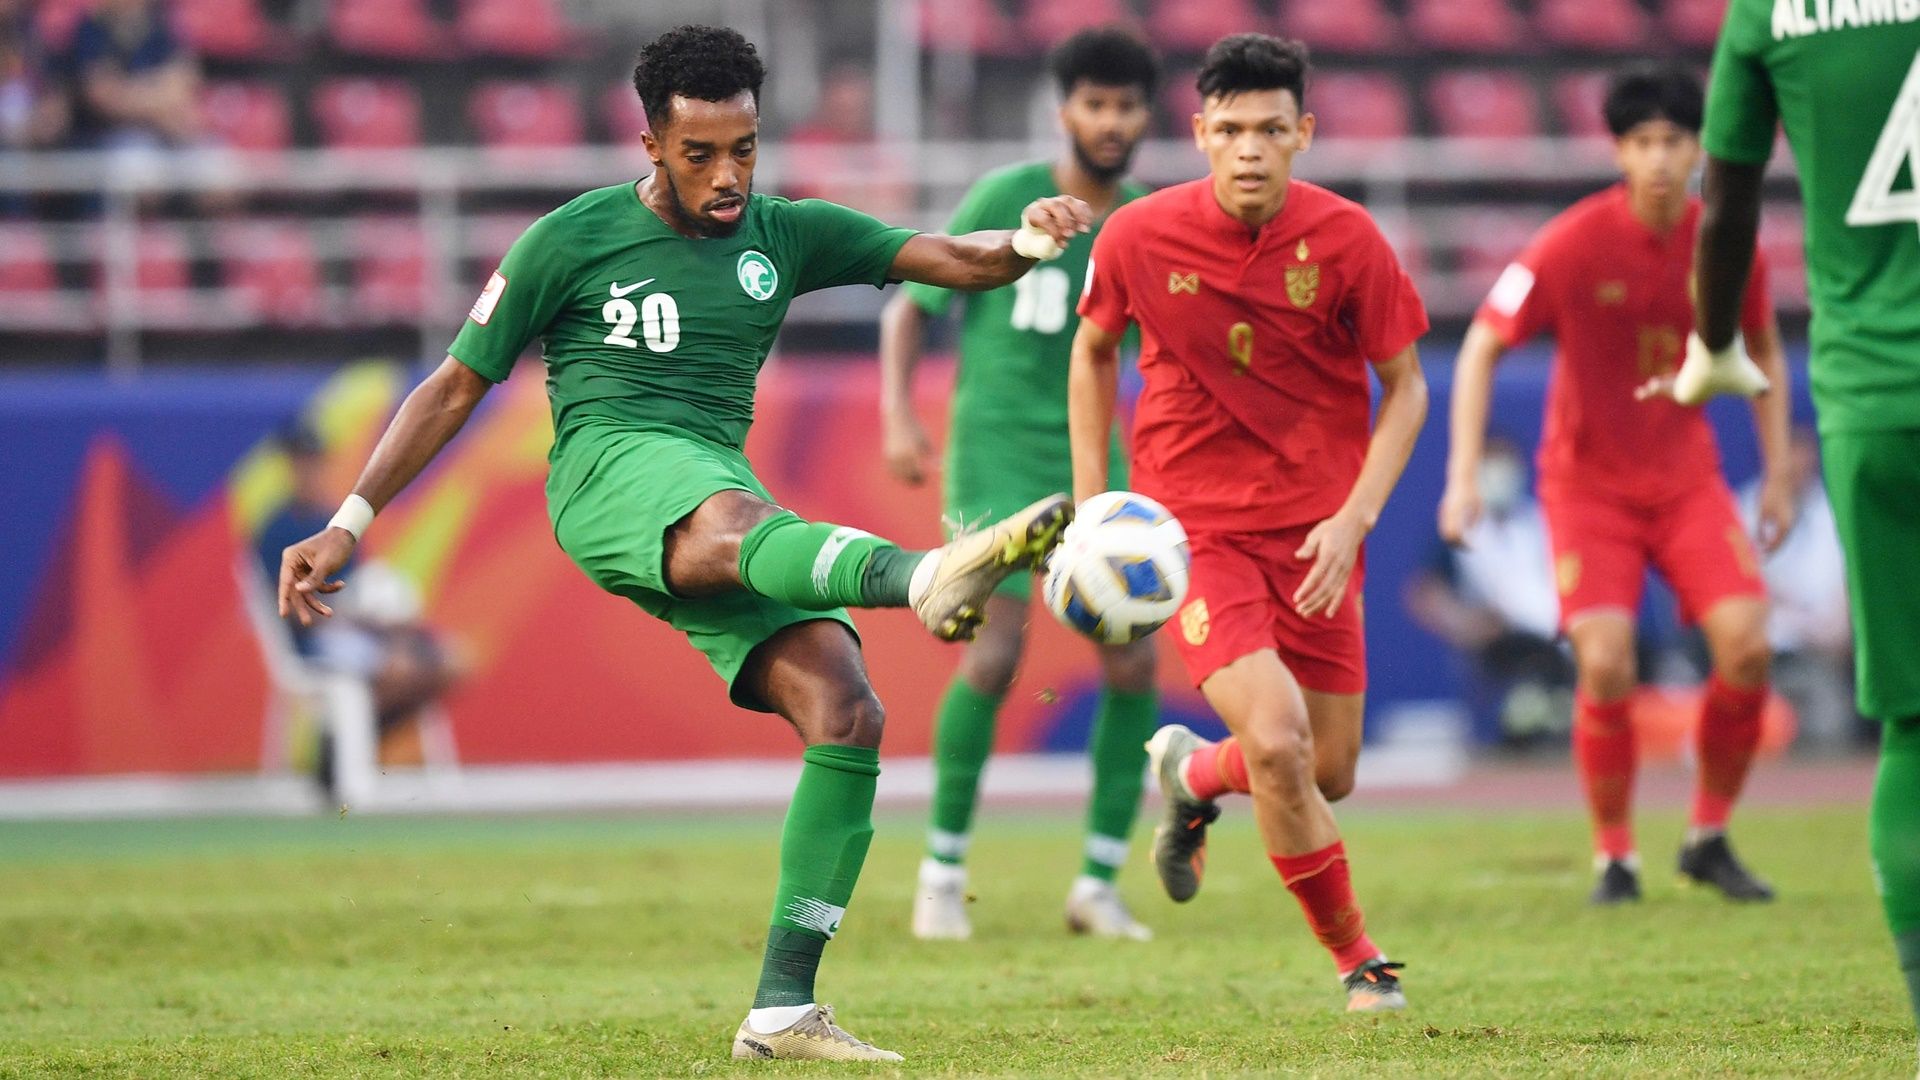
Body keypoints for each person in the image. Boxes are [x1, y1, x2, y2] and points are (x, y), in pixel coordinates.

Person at [275, 25, 1093, 1065]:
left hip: (714, 487)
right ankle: (924, 575)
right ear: (652, 141)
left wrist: (1025, 244)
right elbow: (455, 384)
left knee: (845, 706)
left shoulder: (784, 235)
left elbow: (949, 259)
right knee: (744, 520)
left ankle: (782, 1011)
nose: (727, 175)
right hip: (610, 474)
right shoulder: (568, 240)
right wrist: (350, 520)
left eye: (744, 149)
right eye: (701, 153)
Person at [1069, 34, 1429, 1012]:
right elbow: (1094, 348)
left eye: (1272, 129)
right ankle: (1362, 965)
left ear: (1304, 133)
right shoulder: (1138, 236)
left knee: (1328, 770)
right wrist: (1096, 501)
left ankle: (1192, 772)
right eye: (1230, 130)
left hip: (1318, 537)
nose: (1251, 149)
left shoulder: (1350, 240)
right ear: (1199, 136)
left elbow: (1406, 390)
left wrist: (1356, 516)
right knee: (1279, 747)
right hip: (1194, 538)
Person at [1440, 64, 1793, 905]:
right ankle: (1616, 855)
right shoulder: (1569, 245)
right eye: (1643, 144)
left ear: (1699, 146)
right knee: (1605, 663)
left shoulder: (1725, 243)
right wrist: (1462, 478)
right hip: (1587, 487)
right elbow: (1483, 344)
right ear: (1618, 151)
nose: (1661, 159)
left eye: (1674, 141)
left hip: (1686, 482)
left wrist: (1777, 476)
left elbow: (1767, 351)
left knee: (1745, 643)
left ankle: (1708, 834)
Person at [877, 26, 1160, 943]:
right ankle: (941, 875)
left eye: (1125, 105)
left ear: (1147, 115)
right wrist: (897, 416)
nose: (1110, 121)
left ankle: (1099, 883)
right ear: (1064, 108)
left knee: (1135, 660)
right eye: (1095, 103)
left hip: (1092, 458)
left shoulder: (1147, 218)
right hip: (994, 454)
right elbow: (912, 307)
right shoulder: (1007, 194)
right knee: (995, 658)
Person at [1689, 3, 1920, 1045]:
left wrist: (1713, 342)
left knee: (1912, 727)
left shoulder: (1771, 12)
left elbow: (1725, 197)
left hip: (1876, 399)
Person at [254, 424, 461, 794]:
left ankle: (341, 749)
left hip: (355, 630)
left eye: (314, 462)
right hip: (315, 639)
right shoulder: (277, 529)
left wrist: (387, 630)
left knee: (449, 663)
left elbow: (361, 593)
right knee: (400, 669)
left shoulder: (332, 525)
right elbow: (293, 606)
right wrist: (354, 623)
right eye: (301, 463)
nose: (309, 471)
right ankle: (346, 761)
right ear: (289, 467)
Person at [1405, 437, 1570, 747]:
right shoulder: (1461, 527)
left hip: (1560, 629)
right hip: (1506, 637)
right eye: (1493, 464)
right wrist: (1466, 623)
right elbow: (1425, 592)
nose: (1501, 475)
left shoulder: (1538, 520)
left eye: (1507, 464)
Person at [1736, 427, 1855, 749]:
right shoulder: (1745, 509)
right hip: (1761, 650)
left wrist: (1833, 626)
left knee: (1829, 730)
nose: (1797, 465)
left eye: (1804, 454)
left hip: (1818, 651)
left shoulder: (1832, 514)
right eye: (1790, 455)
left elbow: (1843, 585)